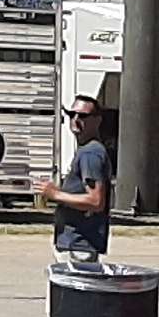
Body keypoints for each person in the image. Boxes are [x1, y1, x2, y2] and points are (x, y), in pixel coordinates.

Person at [42, 94, 114, 266]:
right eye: (71, 114)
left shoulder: (91, 153)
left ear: (97, 120)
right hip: (74, 243)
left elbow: (96, 201)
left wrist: (55, 194)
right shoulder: (86, 150)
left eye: (83, 116)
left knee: (73, 292)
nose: (75, 119)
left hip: (80, 245)